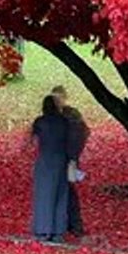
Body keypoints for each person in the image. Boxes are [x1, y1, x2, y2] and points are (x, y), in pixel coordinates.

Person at [30, 94, 74, 242]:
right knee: (60, 195)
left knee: (43, 195)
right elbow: (70, 141)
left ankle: (43, 229)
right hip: (61, 159)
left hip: (45, 160)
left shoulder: (40, 122)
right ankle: (58, 231)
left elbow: (32, 142)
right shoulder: (64, 122)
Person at [52, 86, 90, 237]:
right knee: (61, 191)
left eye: (59, 97)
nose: (57, 101)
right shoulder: (54, 115)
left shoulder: (72, 115)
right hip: (57, 157)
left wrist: (73, 158)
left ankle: (74, 225)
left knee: (68, 192)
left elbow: (80, 134)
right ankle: (67, 223)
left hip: (68, 157)